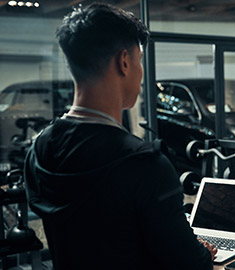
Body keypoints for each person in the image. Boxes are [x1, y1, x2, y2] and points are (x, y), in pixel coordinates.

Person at [23, 3, 216, 269]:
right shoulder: (145, 165)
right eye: (139, 61)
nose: (140, 73)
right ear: (124, 62)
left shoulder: (39, 150)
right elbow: (189, 263)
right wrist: (203, 253)